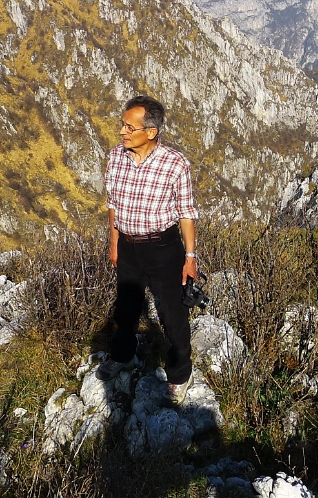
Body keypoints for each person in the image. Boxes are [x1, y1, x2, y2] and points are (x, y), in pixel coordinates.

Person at [97, 95, 199, 404]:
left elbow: (186, 212)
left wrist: (190, 258)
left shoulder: (175, 164)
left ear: (151, 132)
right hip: (128, 247)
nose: (122, 132)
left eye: (129, 127)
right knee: (126, 308)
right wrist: (114, 242)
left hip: (163, 249)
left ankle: (180, 372)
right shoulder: (116, 156)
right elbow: (113, 203)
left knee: (172, 313)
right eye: (122, 125)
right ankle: (123, 356)